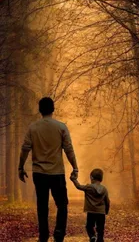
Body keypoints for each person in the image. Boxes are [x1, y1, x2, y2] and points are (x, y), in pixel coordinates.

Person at [18, 97, 78, 242]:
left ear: (40, 110)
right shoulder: (61, 127)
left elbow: (25, 148)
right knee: (62, 204)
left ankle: (43, 236)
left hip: (39, 173)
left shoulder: (33, 128)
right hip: (57, 173)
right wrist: (75, 167)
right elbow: (68, 149)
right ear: (53, 109)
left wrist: (21, 167)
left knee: (42, 205)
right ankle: (59, 234)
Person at [70, 168, 110, 242]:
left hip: (91, 211)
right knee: (100, 228)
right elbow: (107, 201)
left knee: (89, 226)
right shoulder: (104, 189)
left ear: (91, 177)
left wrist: (73, 179)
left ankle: (92, 236)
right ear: (101, 178)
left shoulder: (89, 187)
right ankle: (100, 239)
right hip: (101, 212)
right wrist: (106, 211)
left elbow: (79, 186)